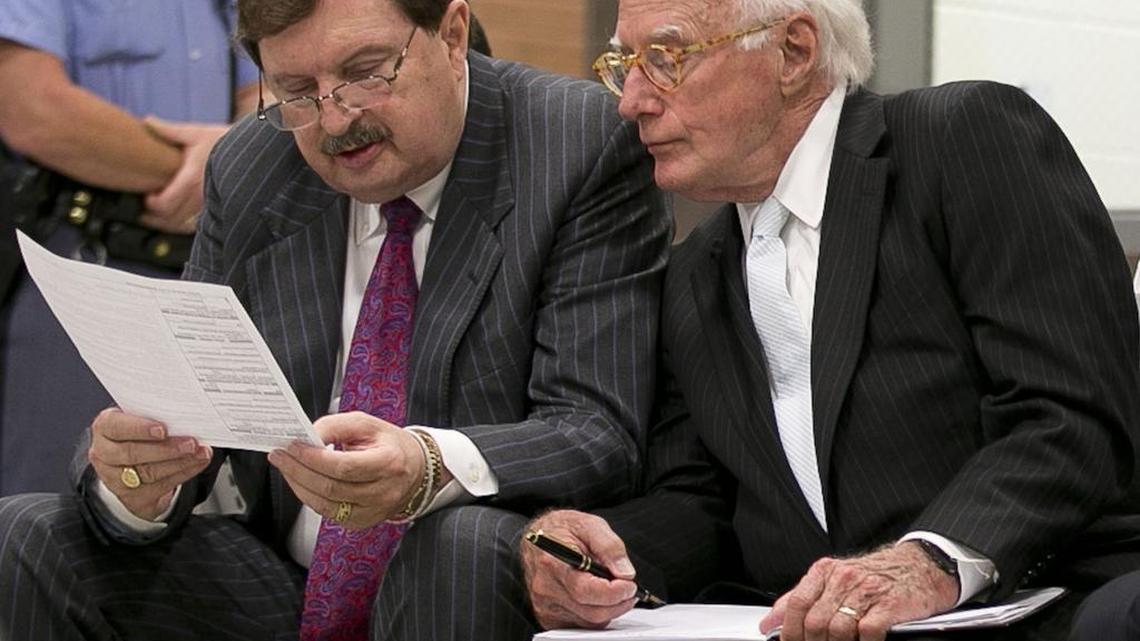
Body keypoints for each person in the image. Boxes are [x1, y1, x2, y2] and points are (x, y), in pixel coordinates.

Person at [0, 0, 670, 639]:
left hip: (473, 572)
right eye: (295, 90)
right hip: (287, 581)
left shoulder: (575, 144)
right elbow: (190, 422)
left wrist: (429, 463)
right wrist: (135, 482)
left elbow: (595, 428)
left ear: (454, 33)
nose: (332, 120)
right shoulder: (254, 165)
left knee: (453, 548)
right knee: (28, 532)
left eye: (364, 73)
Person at [522, 1, 1140, 640]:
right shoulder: (694, 275)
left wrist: (932, 558)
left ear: (793, 52)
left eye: (665, 59)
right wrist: (604, 554)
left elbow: (1072, 414)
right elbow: (708, 501)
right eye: (626, 65)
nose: (632, 102)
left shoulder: (959, 139)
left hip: (1044, 602)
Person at [0, 0, 260, 495]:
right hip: (75, 267)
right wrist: (214, 169)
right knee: (49, 509)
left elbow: (270, 87)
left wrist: (230, 153)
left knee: (175, 504)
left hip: (203, 271)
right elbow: (33, 110)